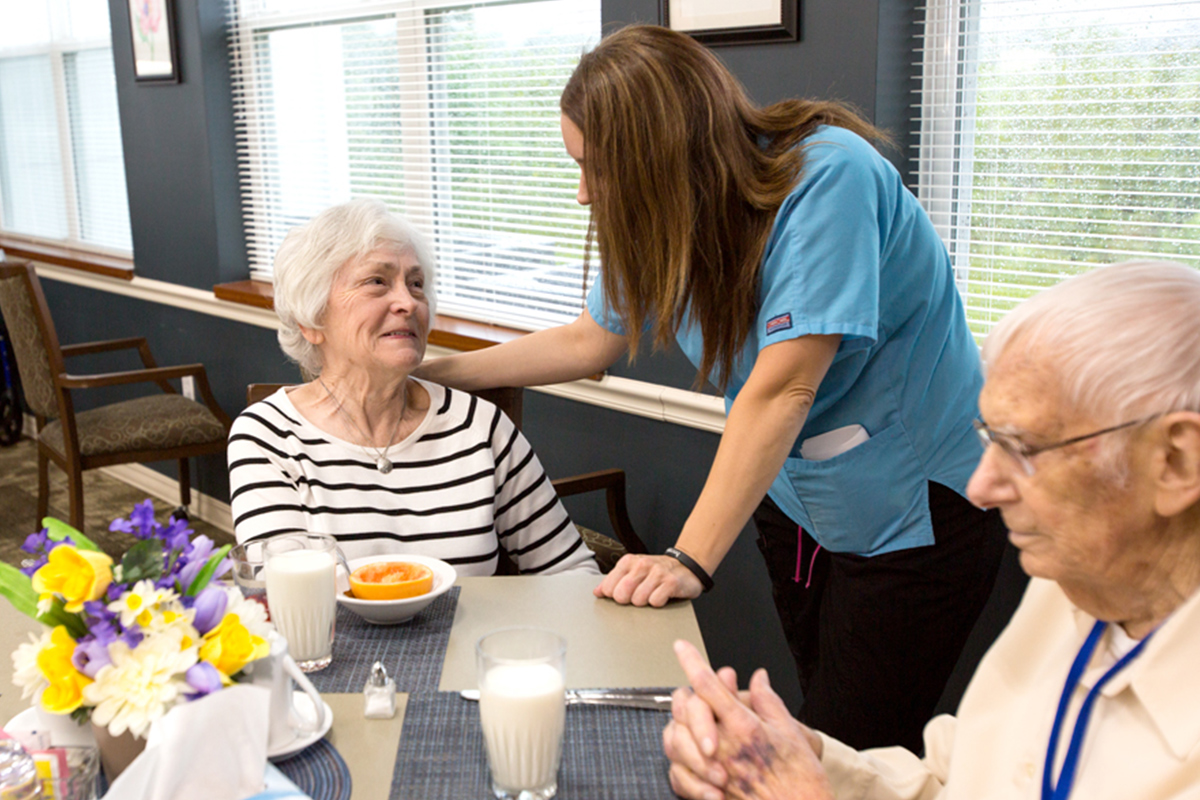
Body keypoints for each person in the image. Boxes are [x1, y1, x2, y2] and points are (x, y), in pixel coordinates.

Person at [416, 24, 1004, 750]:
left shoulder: (829, 180)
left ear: (659, 154)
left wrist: (686, 557)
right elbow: (588, 340)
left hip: (913, 510)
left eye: (595, 168)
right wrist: (426, 370)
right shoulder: (670, 216)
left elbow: (783, 389)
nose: (582, 194)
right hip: (795, 504)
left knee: (857, 744)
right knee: (816, 725)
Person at [662, 260, 1200, 800]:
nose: (980, 488)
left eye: (1023, 449)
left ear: (1175, 461)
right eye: (991, 439)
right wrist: (808, 760)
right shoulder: (1072, 590)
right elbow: (952, 782)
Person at [227, 199, 598, 576]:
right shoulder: (267, 436)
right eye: (377, 282)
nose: (408, 302)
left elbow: (570, 570)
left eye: (416, 284)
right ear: (311, 319)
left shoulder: (480, 427)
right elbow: (285, 593)